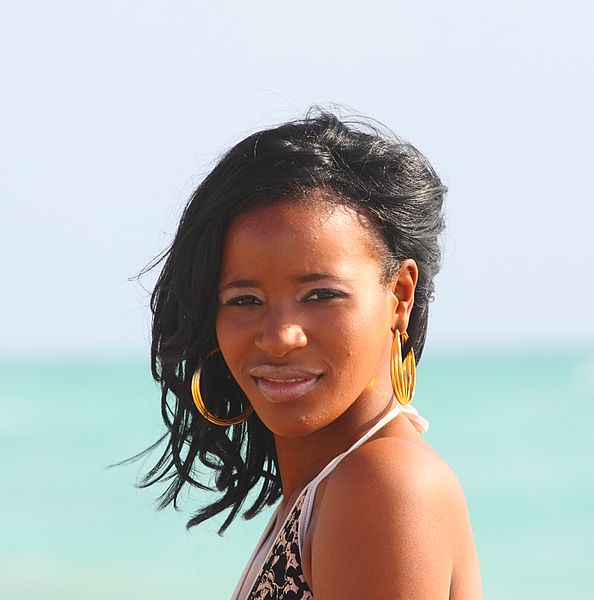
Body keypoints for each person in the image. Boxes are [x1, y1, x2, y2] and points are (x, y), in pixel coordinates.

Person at [128, 108, 483, 599]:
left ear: (400, 295)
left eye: (321, 295)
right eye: (244, 301)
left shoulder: (385, 486)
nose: (279, 337)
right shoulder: (328, 490)